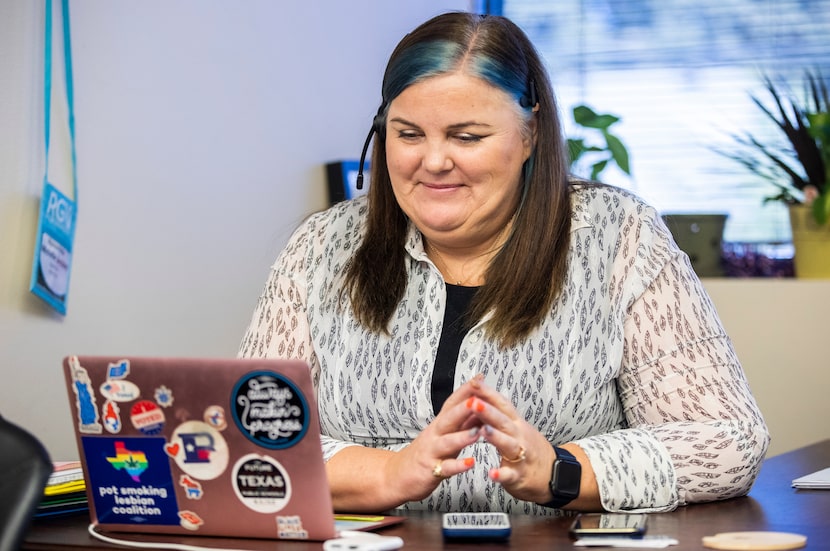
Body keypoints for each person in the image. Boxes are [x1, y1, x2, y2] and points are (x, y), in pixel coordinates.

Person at [238, 11, 769, 515]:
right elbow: (251, 441)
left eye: (467, 137)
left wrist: (561, 471)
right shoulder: (319, 246)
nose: (434, 161)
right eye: (408, 134)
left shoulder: (618, 236)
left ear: (530, 133)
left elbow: (726, 439)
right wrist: (389, 474)